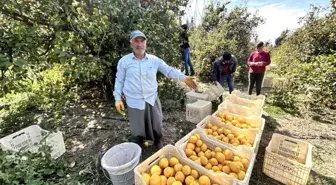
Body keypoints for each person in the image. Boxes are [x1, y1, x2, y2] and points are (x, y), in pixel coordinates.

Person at [113, 30, 197, 149]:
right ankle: (139, 142)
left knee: (156, 123)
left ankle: (157, 140)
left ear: (146, 44)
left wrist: (184, 78)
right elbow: (119, 80)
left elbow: (168, 70)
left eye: (142, 41)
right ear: (131, 43)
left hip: (151, 98)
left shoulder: (154, 60)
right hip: (134, 100)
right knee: (138, 126)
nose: (139, 44)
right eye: (136, 41)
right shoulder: (124, 61)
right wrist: (117, 98)